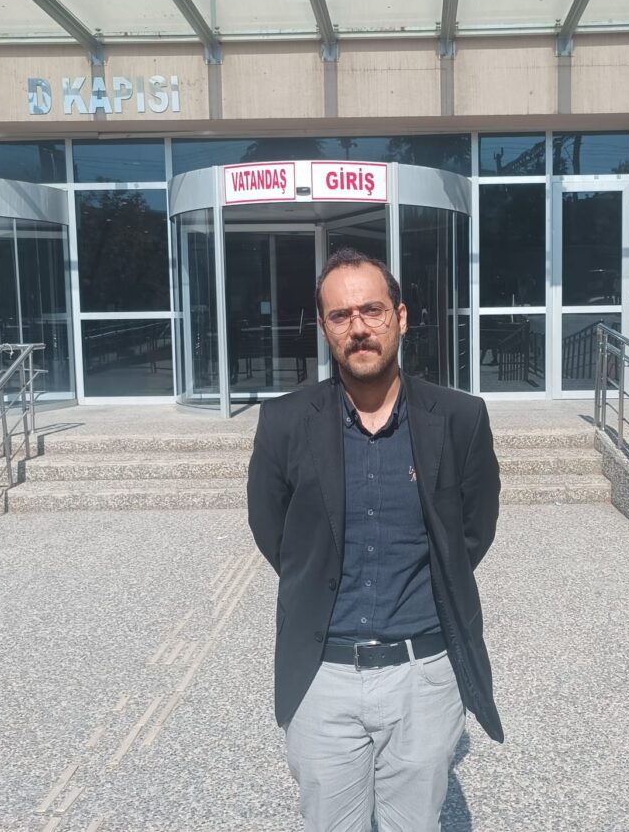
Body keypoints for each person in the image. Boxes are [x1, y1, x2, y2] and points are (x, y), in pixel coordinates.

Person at [247, 248, 503, 831]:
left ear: (401, 317)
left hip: (424, 674)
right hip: (322, 675)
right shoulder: (284, 422)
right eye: (340, 315)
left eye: (372, 310)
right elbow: (274, 532)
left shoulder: (459, 418)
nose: (358, 327)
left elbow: (472, 532)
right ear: (324, 327)